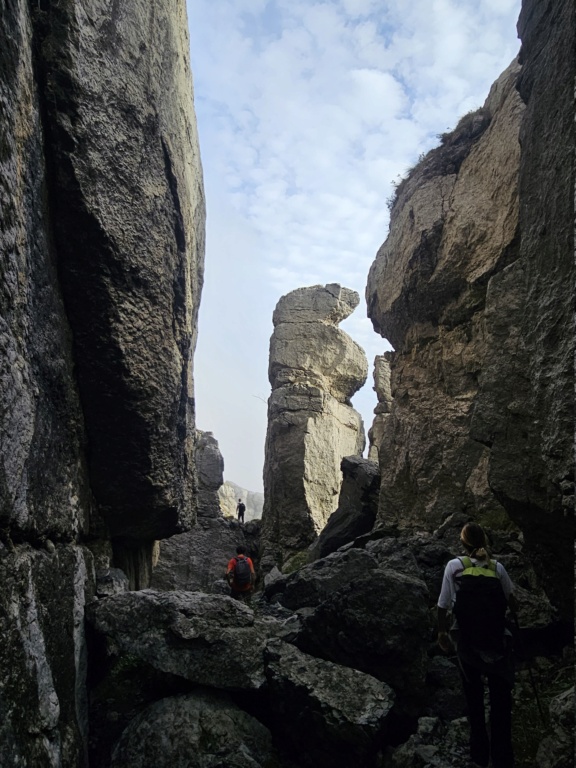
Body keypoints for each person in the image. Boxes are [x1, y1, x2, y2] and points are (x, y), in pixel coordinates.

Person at [437, 522, 516, 768]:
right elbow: (512, 602)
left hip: (467, 640)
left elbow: (443, 605)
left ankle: (479, 756)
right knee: (500, 702)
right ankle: (503, 758)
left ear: (462, 543)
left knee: (474, 700)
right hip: (496, 640)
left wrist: (442, 633)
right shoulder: (497, 568)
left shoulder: (454, 566)